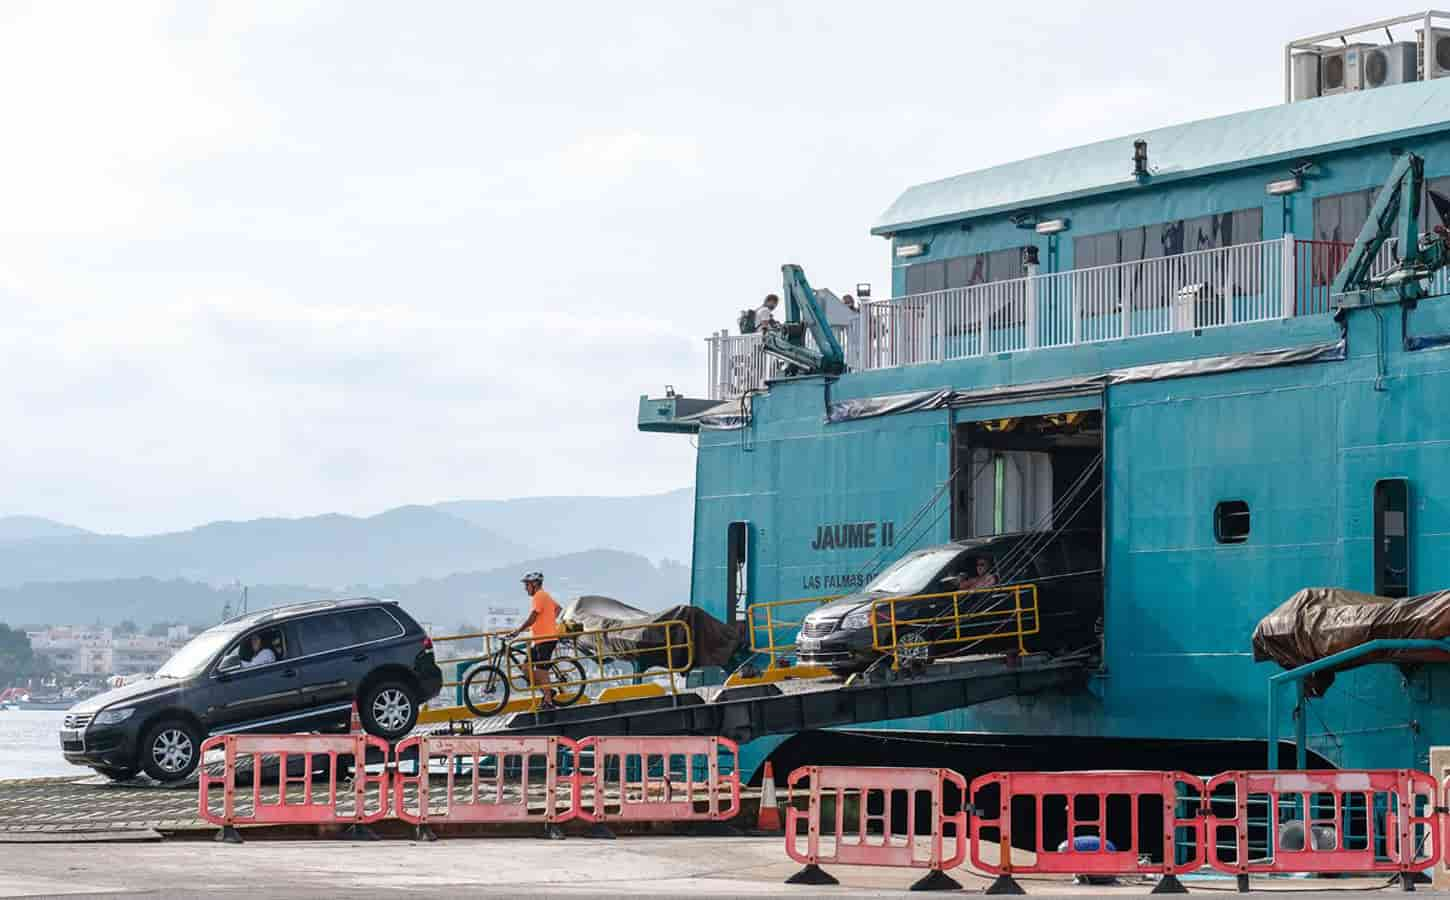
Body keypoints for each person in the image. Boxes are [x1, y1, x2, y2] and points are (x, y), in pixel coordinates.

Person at [510, 572, 561, 707]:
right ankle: (548, 691)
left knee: (541, 670)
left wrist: (518, 631)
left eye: (527, 585)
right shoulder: (544, 596)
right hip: (539, 639)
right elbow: (558, 609)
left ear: (534, 584)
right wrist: (547, 621)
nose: (525, 588)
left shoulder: (539, 596)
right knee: (526, 667)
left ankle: (548, 700)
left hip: (546, 639)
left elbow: (533, 617)